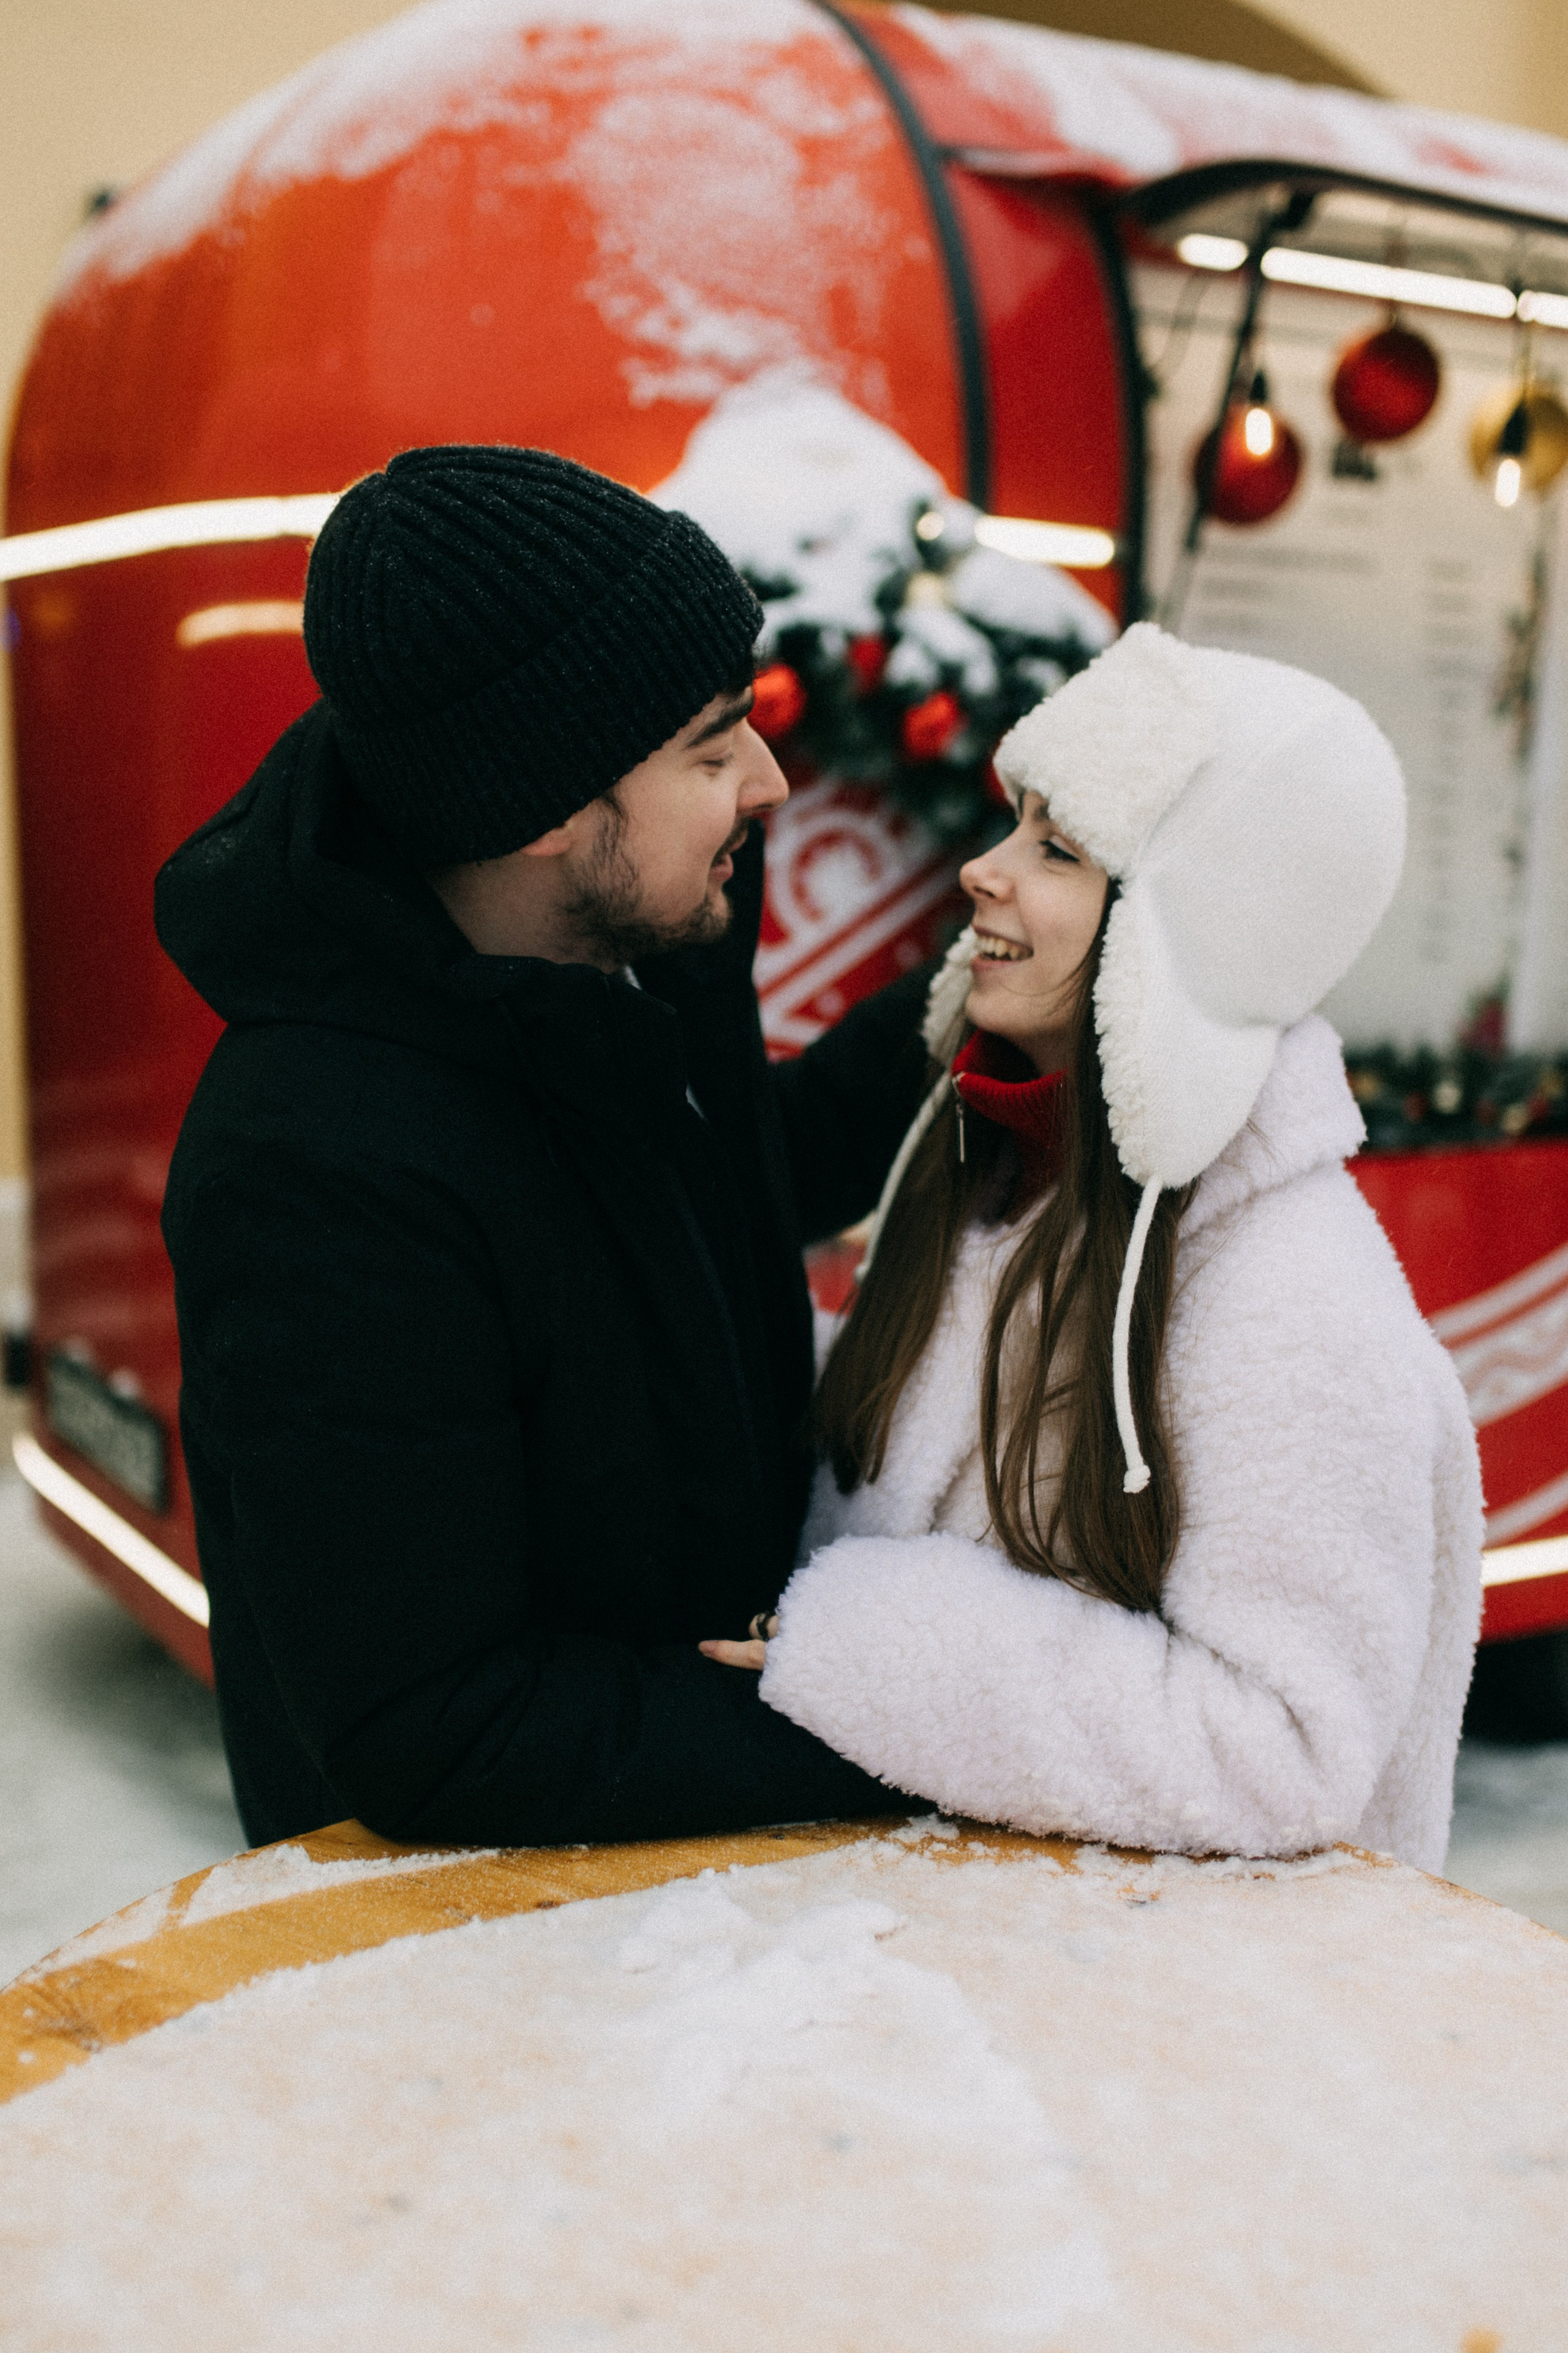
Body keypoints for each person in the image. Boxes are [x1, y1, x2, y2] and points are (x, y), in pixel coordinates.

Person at [157, 444, 931, 1850]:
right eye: (712, 744)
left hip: (702, 1856)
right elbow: (437, 1732)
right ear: (546, 812)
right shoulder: (318, 1168)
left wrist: (966, 1002)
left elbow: (736, 1191)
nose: (764, 784)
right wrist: (903, 1726)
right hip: (492, 1955)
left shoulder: (624, 964)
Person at [703, 622, 1483, 1871]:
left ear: (1187, 926)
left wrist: (872, 1646)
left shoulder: (1287, 1293)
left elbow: (1285, 1747)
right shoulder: (984, 1169)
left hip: (1159, 2030)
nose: (981, 872)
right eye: (1011, 823)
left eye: (1054, 849)